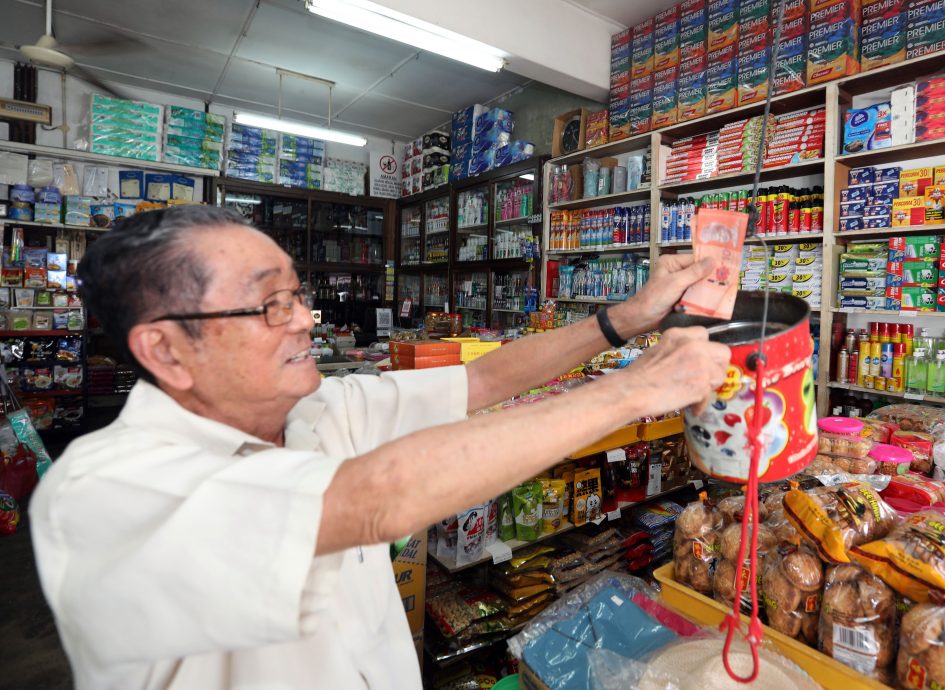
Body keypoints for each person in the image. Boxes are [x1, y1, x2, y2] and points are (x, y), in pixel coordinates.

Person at [29, 205, 730, 690]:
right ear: (166, 348)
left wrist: (626, 320)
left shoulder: (322, 410)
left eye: (299, 295)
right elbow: (374, 499)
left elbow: (482, 378)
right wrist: (635, 391)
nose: (306, 319)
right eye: (269, 305)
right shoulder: (105, 490)